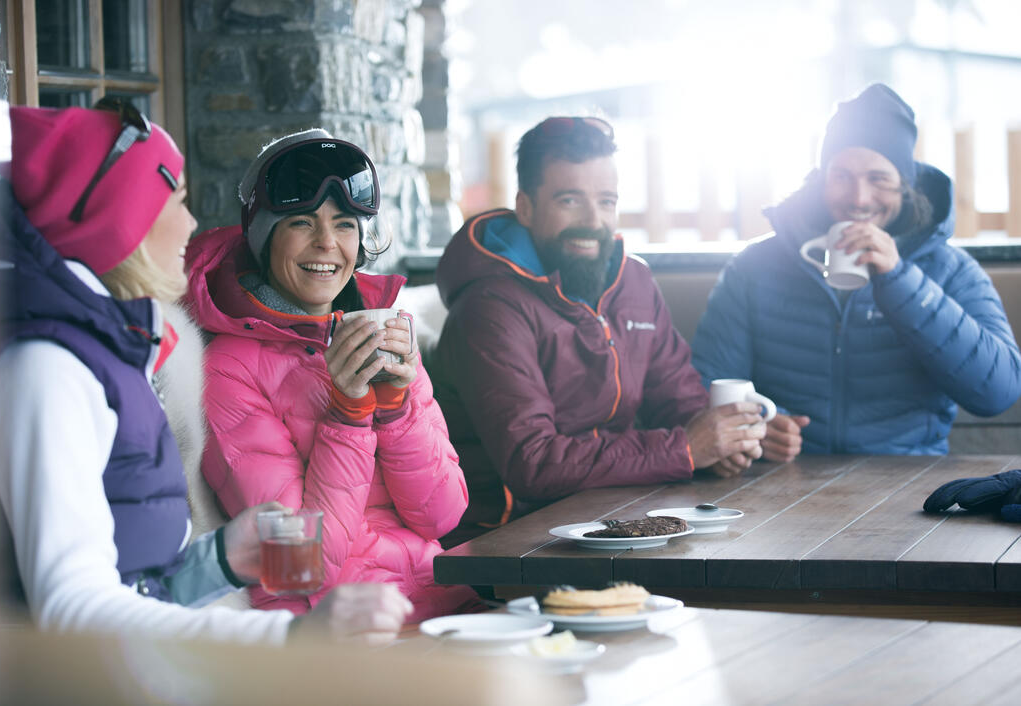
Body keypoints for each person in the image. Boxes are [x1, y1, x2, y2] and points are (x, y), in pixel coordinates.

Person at [0, 103, 413, 646]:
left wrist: (222, 558)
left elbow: (140, 588)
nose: (192, 224)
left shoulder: (116, 352)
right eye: (173, 200)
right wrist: (288, 642)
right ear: (119, 217)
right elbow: (70, 612)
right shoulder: (44, 374)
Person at [185, 129, 477, 620]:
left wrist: (397, 408)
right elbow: (302, 563)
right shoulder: (227, 369)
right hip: (329, 626)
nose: (327, 243)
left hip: (434, 598)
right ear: (263, 238)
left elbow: (441, 515)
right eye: (302, 222)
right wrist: (347, 415)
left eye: (344, 224)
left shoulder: (383, 331)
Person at [430, 116, 767, 540]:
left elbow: (680, 404)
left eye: (606, 201)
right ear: (526, 208)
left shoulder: (634, 281)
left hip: (615, 511)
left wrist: (722, 446)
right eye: (570, 200)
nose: (594, 220)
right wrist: (685, 449)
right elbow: (533, 464)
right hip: (512, 534)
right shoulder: (489, 307)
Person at [691, 83, 1021, 461]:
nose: (859, 197)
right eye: (841, 176)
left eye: (878, 178)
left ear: (905, 186)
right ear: (822, 181)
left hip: (911, 482)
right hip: (786, 482)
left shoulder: (951, 270)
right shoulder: (754, 268)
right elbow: (704, 384)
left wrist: (899, 279)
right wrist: (759, 426)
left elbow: (998, 392)